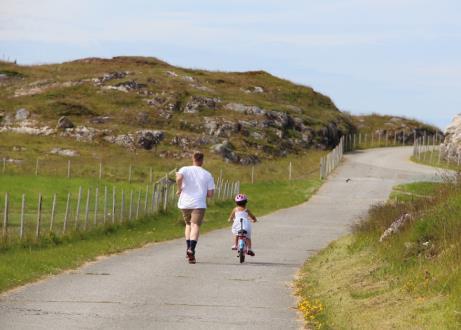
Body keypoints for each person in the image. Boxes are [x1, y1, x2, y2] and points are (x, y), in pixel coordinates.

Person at [176, 151, 215, 264]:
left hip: (185, 203)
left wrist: (179, 189)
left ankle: (188, 248)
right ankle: (192, 249)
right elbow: (210, 194)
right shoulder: (207, 174)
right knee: (195, 225)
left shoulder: (184, 169)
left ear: (193, 159)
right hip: (198, 203)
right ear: (202, 161)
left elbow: (178, 178)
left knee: (188, 225)